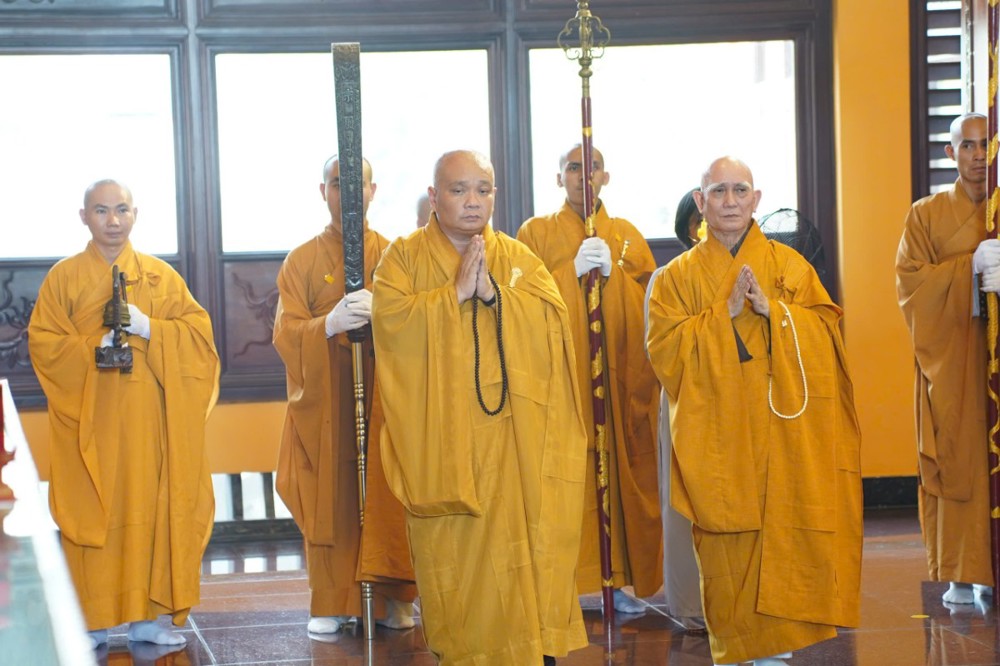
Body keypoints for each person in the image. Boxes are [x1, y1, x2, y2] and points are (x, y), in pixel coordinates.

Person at [372, 149, 589, 664]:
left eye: (483, 190)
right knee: (458, 568)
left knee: (526, 556)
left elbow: (554, 324)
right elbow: (390, 325)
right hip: (446, 444)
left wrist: (496, 298)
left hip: (516, 441)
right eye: (459, 190)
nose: (473, 201)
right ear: (434, 197)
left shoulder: (518, 258)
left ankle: (532, 652)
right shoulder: (402, 259)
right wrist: (451, 297)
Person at [646, 156, 863, 666]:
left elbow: (826, 329)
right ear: (699, 202)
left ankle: (776, 642)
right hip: (716, 428)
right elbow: (664, 350)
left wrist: (777, 313)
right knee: (727, 534)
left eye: (739, 190)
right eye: (718, 191)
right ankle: (738, 640)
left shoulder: (790, 268)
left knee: (783, 525)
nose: (729, 201)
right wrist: (722, 317)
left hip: (780, 423)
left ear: (756, 200)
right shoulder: (675, 278)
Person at [28, 179, 220, 650]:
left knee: (147, 513)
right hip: (87, 421)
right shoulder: (64, 278)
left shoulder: (160, 277)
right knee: (91, 514)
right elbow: (44, 344)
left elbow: (199, 340)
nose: (112, 220)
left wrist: (152, 328)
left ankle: (146, 618)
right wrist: (91, 346)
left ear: (135, 214)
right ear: (84, 217)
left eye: (121, 210)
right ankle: (88, 620)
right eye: (101, 210)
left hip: (146, 424)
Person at [273, 155, 417, 636]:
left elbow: (423, 325)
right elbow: (286, 333)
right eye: (338, 184)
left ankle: (394, 596)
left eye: (359, 184)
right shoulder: (301, 261)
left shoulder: (397, 255)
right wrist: (327, 325)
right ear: (323, 192)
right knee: (329, 496)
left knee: (388, 488)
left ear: (374, 191)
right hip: (325, 404)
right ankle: (331, 599)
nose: (349, 194)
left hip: (384, 400)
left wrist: (387, 315)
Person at [517, 144, 662, 613]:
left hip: (614, 381)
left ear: (605, 177)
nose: (584, 175)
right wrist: (569, 273)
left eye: (592, 167)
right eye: (573, 167)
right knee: (560, 476)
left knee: (615, 472)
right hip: (560, 380)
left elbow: (650, 307)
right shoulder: (534, 233)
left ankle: (613, 579)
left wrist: (614, 278)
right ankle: (559, 583)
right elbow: (520, 303)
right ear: (559, 178)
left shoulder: (627, 237)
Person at [896, 112, 998, 605]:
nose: (978, 156)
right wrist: (969, 270)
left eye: (986, 144)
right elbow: (910, 285)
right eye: (968, 146)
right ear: (950, 152)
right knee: (959, 458)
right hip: (953, 360)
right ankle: (961, 571)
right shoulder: (926, 214)